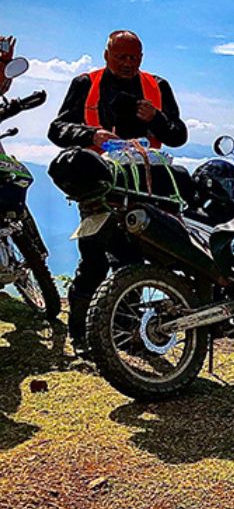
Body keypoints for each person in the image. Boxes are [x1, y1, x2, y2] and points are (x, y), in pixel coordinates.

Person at [49, 30, 187, 357]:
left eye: (133, 57)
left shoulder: (158, 86)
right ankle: (81, 336)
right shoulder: (86, 83)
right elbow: (57, 129)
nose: (127, 63)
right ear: (106, 55)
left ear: (141, 57)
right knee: (94, 257)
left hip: (146, 183)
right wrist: (91, 135)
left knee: (135, 256)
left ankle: (130, 336)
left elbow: (178, 135)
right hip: (98, 183)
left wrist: (158, 118)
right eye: (120, 56)